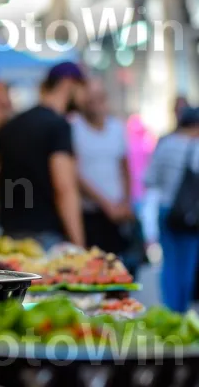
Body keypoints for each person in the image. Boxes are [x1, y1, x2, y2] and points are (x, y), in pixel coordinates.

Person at [0, 62, 86, 250]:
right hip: (45, 237)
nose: (84, 97)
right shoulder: (58, 126)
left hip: (9, 236)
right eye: (82, 88)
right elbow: (65, 188)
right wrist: (79, 246)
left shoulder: (13, 124)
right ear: (68, 84)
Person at [144, 107, 199, 312]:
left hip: (166, 211)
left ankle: (170, 309)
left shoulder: (165, 144)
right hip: (191, 216)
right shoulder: (196, 148)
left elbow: (149, 179)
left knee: (169, 264)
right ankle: (182, 312)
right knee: (188, 265)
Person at [73, 79, 133, 255]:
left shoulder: (117, 127)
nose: (95, 104)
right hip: (90, 213)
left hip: (117, 214)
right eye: (90, 99)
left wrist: (126, 202)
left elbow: (125, 168)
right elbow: (76, 175)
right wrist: (106, 205)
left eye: (99, 97)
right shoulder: (74, 127)